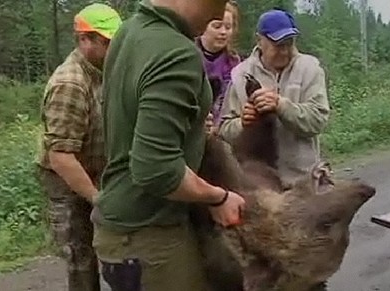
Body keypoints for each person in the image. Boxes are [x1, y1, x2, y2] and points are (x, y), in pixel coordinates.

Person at [91, 0, 246, 290]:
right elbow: (156, 168)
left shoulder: (129, 32)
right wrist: (217, 197)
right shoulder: (176, 52)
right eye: (218, 3)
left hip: (119, 231)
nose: (218, 14)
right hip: (151, 237)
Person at [36, 3, 122, 291]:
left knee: (109, 248)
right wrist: (97, 198)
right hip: (68, 182)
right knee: (81, 256)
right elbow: (60, 156)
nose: (114, 48)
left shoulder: (103, 72)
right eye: (107, 42)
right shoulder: (70, 83)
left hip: (96, 171)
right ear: (85, 40)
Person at [219, 8, 331, 185]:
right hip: (256, 184)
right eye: (278, 45)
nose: (285, 51)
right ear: (259, 40)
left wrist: (281, 105)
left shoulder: (310, 69)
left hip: (303, 182)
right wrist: (243, 123)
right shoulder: (240, 75)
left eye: (289, 43)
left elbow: (317, 121)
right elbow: (224, 129)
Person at [196, 0, 241, 129]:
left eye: (228, 27)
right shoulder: (187, 56)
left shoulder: (236, 66)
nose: (223, 32)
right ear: (203, 26)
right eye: (217, 26)